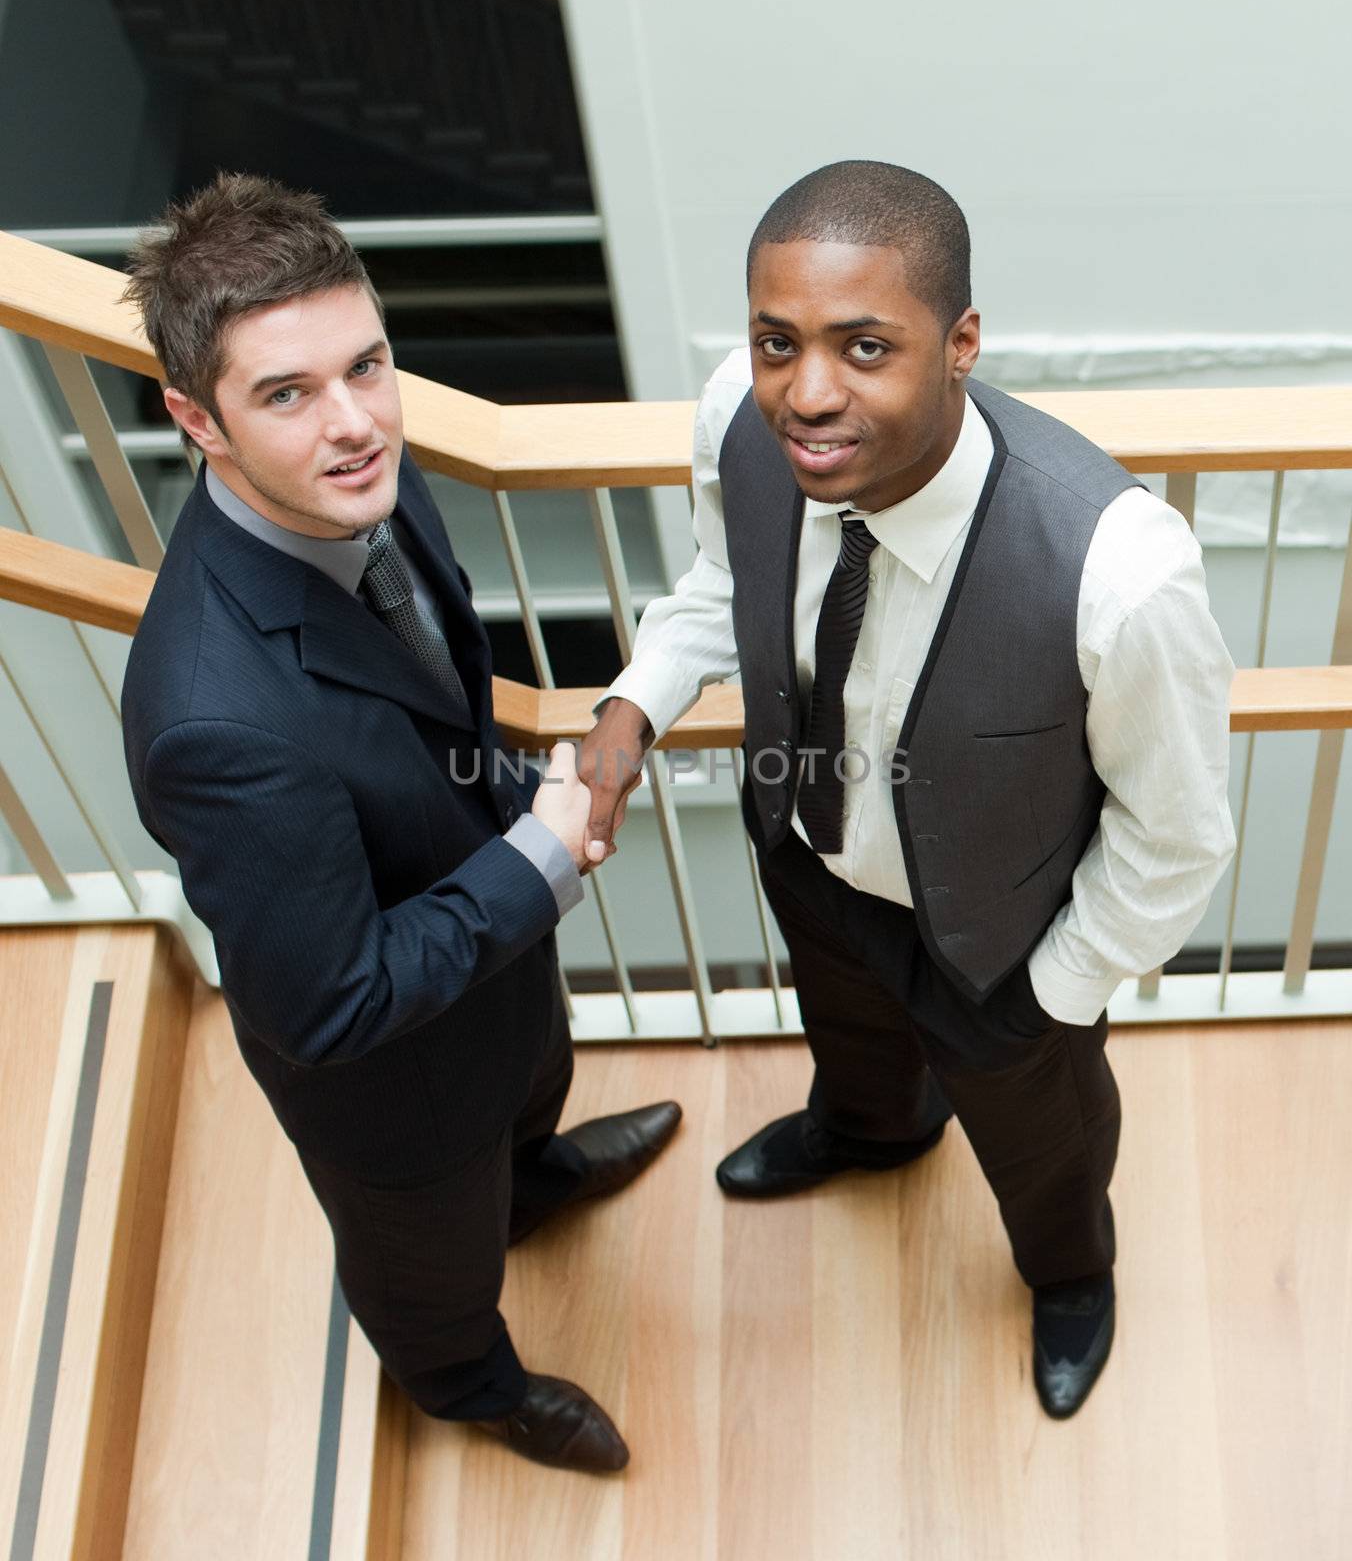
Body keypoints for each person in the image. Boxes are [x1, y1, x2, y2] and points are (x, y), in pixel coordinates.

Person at [581, 160, 1235, 1419]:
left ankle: (1069, 1273)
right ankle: (871, 1133)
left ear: (959, 344)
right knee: (854, 1045)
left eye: (862, 345)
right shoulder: (737, 415)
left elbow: (1176, 833)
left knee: (1043, 1147)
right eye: (778, 341)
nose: (805, 392)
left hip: (1004, 948)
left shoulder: (1117, 571)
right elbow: (730, 580)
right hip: (817, 861)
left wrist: (1057, 990)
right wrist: (630, 709)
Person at [120, 173, 681, 1473]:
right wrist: (541, 857)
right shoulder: (216, 718)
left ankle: (532, 1186)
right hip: (400, 1098)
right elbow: (330, 1007)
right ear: (196, 419)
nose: (356, 423)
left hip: (489, 969)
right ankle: (468, 1391)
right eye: (288, 394)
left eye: (366, 364)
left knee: (531, 1089)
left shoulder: (360, 483)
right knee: (431, 1274)